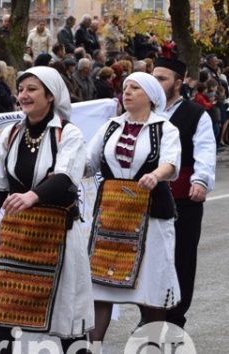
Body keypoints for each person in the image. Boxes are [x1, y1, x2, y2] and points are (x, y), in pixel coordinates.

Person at [0, 66, 94, 354]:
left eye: (32, 89)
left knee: (66, 316)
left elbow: (66, 178)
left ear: (50, 95)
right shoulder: (11, 133)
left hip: (57, 234)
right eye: (21, 89)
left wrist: (33, 195)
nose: (23, 95)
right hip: (17, 234)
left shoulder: (68, 133)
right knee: (2, 314)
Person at [85, 72, 182, 345]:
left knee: (152, 287)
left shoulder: (165, 128)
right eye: (125, 87)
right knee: (100, 287)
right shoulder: (110, 126)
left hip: (151, 216)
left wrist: (157, 175)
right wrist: (61, 169)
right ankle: (92, 349)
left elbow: (171, 162)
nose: (126, 92)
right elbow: (89, 162)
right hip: (112, 215)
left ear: (150, 97)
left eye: (135, 88)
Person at [152, 58, 216, 330]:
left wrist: (200, 181)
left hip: (182, 198)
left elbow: (204, 150)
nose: (156, 83)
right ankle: (151, 316)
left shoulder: (195, 114)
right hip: (145, 199)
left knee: (181, 258)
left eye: (163, 79)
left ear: (178, 83)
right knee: (148, 260)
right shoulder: (141, 112)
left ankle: (175, 319)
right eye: (153, 77)